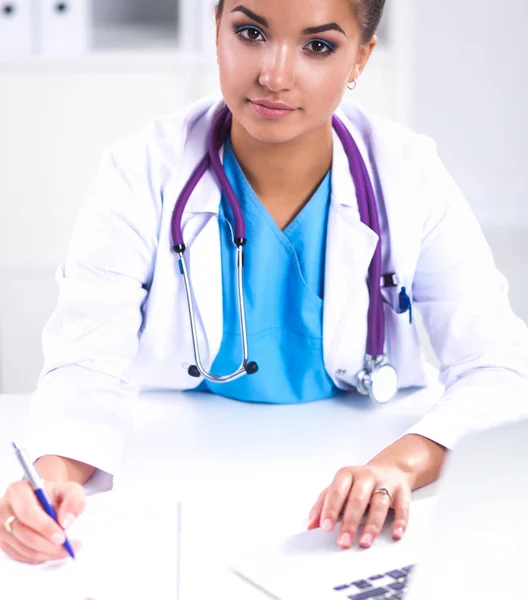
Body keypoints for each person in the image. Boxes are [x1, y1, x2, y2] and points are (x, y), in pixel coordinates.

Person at [1, 0, 528, 565]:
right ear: (217, 30)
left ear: (361, 58)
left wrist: (396, 466)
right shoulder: (141, 170)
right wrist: (49, 483)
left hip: (344, 490)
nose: (275, 76)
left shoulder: (407, 173)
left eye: (318, 46)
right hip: (181, 475)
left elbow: (498, 368)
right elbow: (86, 360)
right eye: (250, 32)